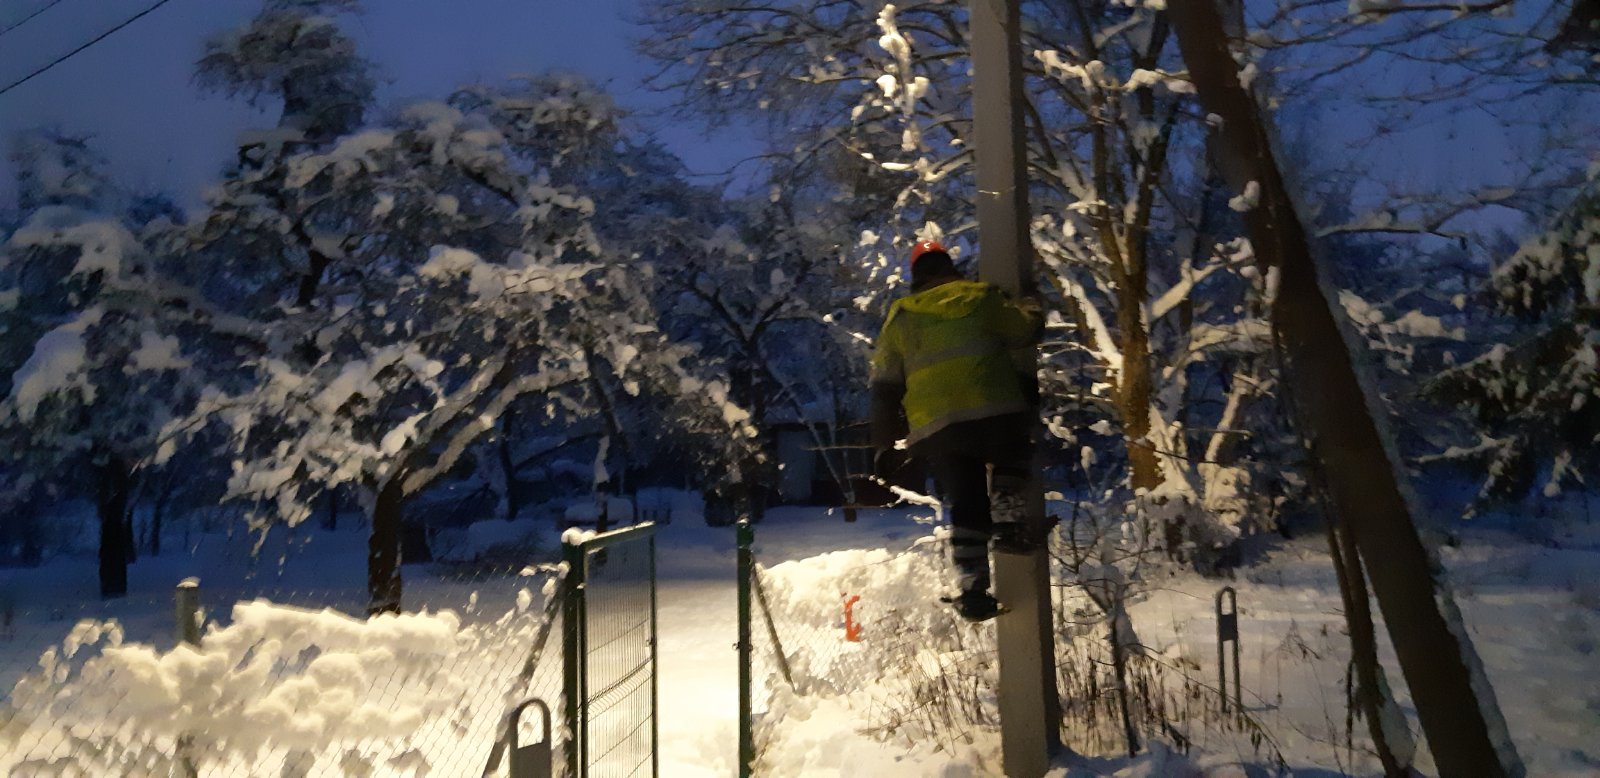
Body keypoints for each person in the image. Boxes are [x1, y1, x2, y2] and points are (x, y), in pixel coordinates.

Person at [869, 239, 1042, 621]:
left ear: (915, 276)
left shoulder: (900, 316)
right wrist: (1029, 302)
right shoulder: (982, 297)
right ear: (949, 266)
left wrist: (882, 447)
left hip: (938, 428)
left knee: (966, 501)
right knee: (1014, 448)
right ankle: (1009, 514)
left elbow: (884, 388)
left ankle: (972, 586)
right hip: (996, 411)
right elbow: (1025, 331)